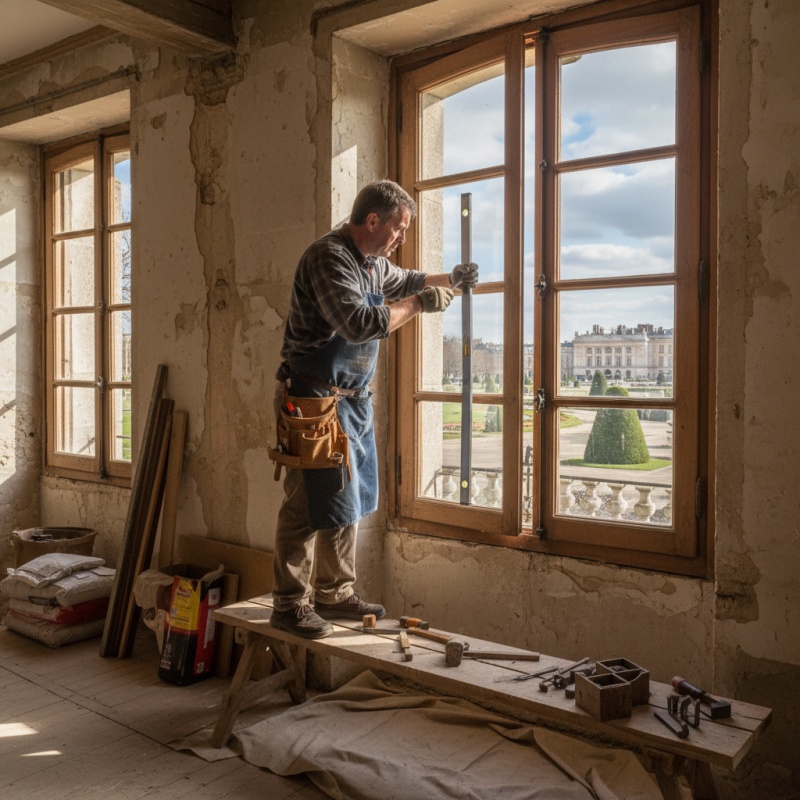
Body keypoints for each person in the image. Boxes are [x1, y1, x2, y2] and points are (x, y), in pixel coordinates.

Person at [270, 179, 479, 639]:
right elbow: (359, 323)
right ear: (372, 221)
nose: (401, 238)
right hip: (312, 400)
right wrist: (419, 305)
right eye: (399, 229)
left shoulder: (372, 263)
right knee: (305, 505)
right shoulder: (329, 258)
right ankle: (288, 604)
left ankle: (334, 593)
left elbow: (409, 280)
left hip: (350, 401)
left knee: (347, 500)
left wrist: (449, 279)